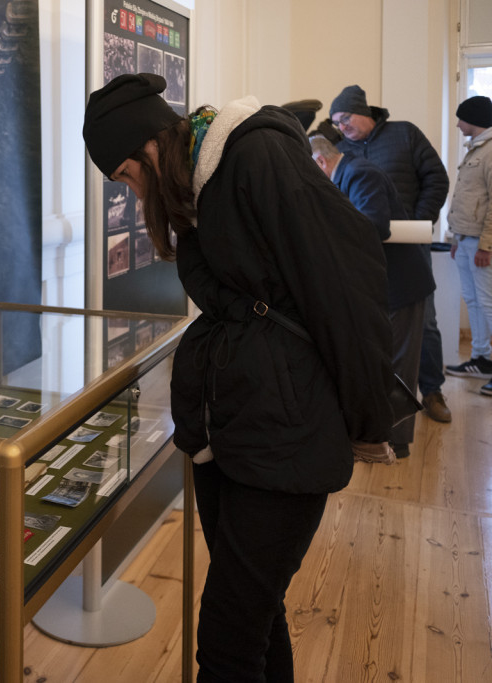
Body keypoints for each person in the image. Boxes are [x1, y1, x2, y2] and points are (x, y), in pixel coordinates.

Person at [83, 73, 394, 681]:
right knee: (254, 616)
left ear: (148, 147)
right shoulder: (200, 186)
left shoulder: (254, 155)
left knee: (226, 641)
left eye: (125, 175)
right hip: (236, 431)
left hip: (286, 434)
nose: (130, 192)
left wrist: (367, 418)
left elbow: (343, 286)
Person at [330, 84, 452, 422]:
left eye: (345, 119)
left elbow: (436, 179)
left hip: (408, 248)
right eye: (336, 123)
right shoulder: (340, 151)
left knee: (423, 322)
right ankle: (386, 403)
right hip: (366, 255)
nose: (342, 127)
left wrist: (416, 224)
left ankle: (432, 391)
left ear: (363, 111)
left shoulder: (405, 134)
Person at [311, 134, 434, 458]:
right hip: (387, 287)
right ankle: (382, 436)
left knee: (398, 366)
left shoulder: (358, 173)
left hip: (402, 287)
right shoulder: (351, 172)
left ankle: (396, 443)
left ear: (321, 161)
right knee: (387, 362)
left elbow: (373, 225)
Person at [446, 95, 492, 394]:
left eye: (461, 118)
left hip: (480, 244)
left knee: (488, 303)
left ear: (473, 119)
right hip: (464, 239)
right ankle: (482, 359)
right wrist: (454, 237)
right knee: (473, 301)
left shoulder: (490, 151)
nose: (458, 123)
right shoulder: (475, 148)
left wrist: (486, 245)